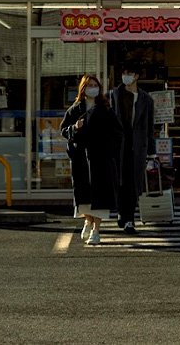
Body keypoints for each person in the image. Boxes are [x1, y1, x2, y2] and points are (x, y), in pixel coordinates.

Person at [60, 74, 122, 245]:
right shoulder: (75, 109)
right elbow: (64, 130)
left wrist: (108, 148)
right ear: (83, 88)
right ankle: (88, 220)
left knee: (100, 194)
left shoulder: (105, 109)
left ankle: (96, 230)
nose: (93, 88)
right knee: (83, 194)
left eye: (95, 85)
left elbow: (117, 133)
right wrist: (74, 128)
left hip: (101, 159)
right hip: (81, 158)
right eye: (89, 85)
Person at [108, 63, 157, 232]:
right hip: (118, 147)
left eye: (129, 73)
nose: (125, 75)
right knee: (120, 182)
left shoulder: (145, 99)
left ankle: (129, 219)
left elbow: (149, 128)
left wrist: (151, 153)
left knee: (132, 183)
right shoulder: (114, 95)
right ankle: (122, 214)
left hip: (137, 148)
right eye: (123, 72)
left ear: (136, 76)